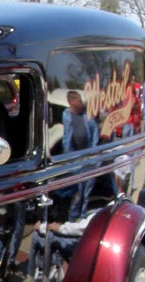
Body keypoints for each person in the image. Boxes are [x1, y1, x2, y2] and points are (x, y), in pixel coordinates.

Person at [62, 90, 99, 221]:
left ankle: (83, 215)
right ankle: (72, 216)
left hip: (88, 157)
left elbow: (94, 131)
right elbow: (66, 137)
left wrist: (93, 152)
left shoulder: (86, 115)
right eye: (78, 100)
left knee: (87, 190)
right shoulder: (66, 115)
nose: (81, 102)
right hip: (74, 159)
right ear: (71, 102)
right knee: (77, 190)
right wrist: (67, 158)